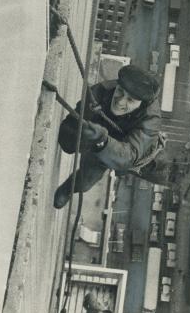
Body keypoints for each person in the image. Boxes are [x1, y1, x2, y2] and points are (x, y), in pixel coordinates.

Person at [54, 65, 169, 209]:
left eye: (130, 100)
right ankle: (67, 189)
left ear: (142, 104)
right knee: (85, 181)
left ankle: (68, 189)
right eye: (120, 91)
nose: (120, 102)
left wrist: (103, 142)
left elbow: (129, 155)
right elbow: (67, 134)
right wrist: (82, 136)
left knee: (166, 174)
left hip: (135, 152)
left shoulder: (150, 121)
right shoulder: (100, 92)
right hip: (100, 143)